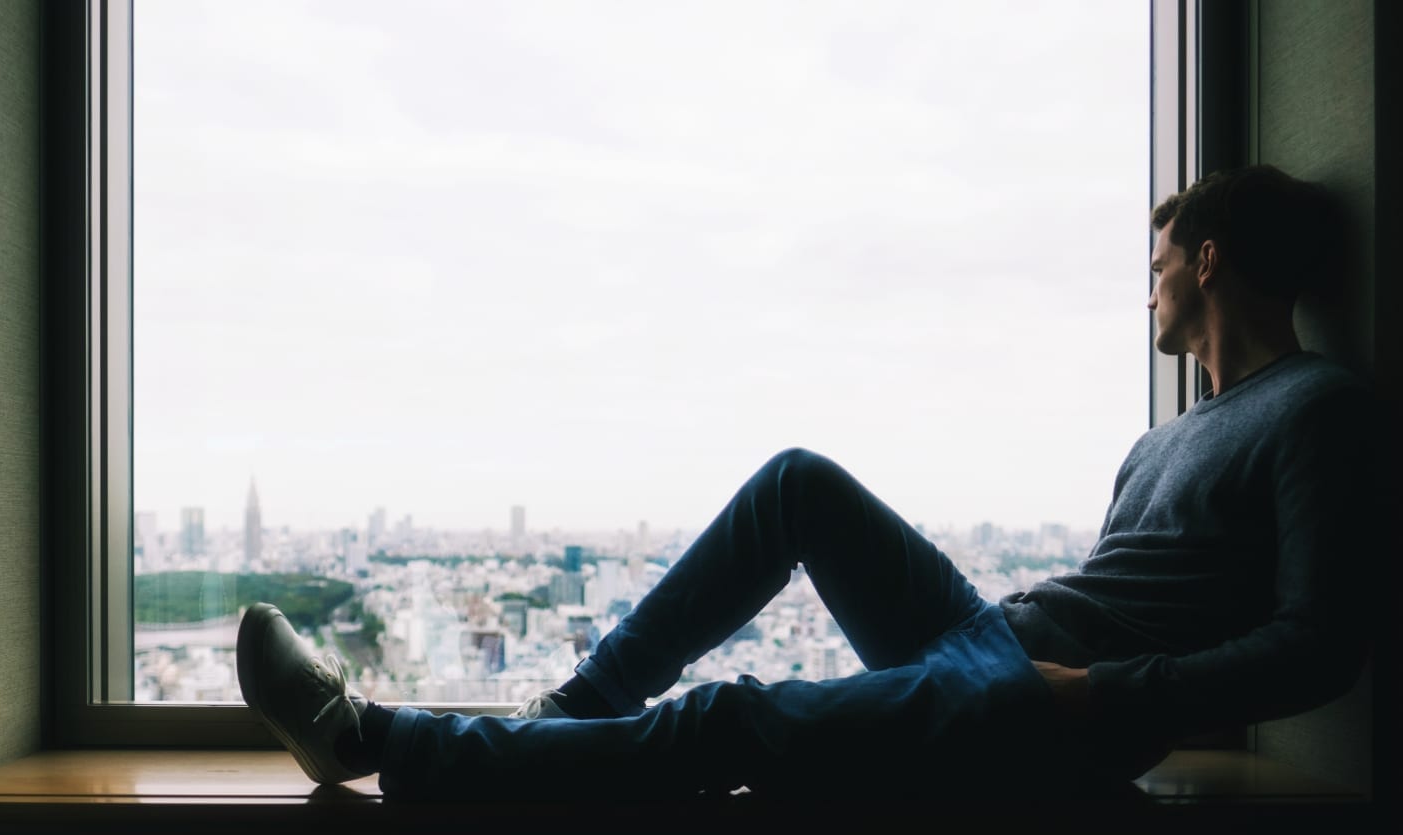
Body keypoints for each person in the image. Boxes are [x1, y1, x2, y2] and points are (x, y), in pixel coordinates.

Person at [236, 164, 1386, 802]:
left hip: (1047, 707)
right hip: (1006, 646)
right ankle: (574, 709)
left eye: (1156, 269)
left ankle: (369, 737)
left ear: (1207, 261)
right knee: (797, 483)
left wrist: (1097, 693)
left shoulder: (1316, 405)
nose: (1147, 294)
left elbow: (1321, 643)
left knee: (732, 715)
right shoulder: (1161, 441)